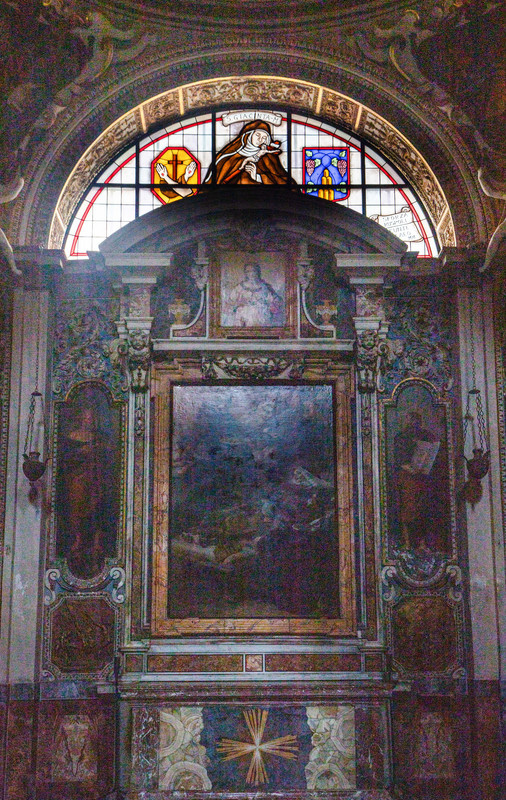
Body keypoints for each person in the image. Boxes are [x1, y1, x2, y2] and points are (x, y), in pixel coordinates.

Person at [205, 120, 297, 186]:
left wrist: (257, 177)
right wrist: (243, 164)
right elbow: (218, 182)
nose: (260, 139)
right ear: (249, 135)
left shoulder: (268, 157)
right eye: (258, 135)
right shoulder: (230, 156)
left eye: (264, 137)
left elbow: (281, 181)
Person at [223, 262, 284, 327]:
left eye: (254, 271)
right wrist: (239, 303)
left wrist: (270, 304)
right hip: (244, 320)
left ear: (258, 272)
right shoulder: (239, 288)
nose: (251, 274)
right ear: (245, 273)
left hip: (263, 320)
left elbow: (277, 301)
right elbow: (229, 305)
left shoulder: (266, 287)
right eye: (248, 271)